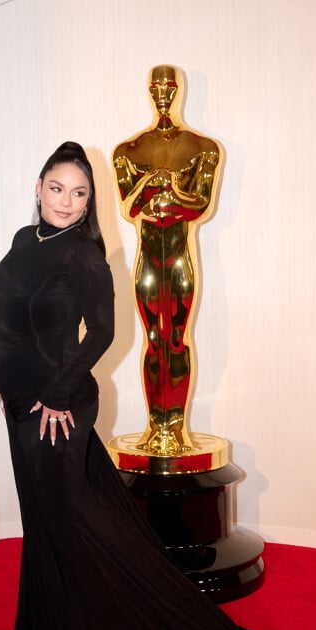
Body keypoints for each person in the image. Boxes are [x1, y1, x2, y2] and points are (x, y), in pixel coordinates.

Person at [0, 141, 316, 630]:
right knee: (43, 520)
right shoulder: (22, 241)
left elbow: (103, 332)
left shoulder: (84, 258)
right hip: (20, 403)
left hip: (55, 407)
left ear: (90, 202)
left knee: (72, 524)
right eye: (57, 188)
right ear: (38, 187)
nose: (67, 201)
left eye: (79, 193)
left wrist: (57, 392)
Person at [113, 65, 221, 455]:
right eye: (156, 85)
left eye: (169, 85)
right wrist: (152, 187)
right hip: (147, 259)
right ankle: (155, 428)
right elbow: (129, 207)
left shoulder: (202, 147)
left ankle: (175, 428)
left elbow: (200, 205)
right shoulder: (128, 150)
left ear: (181, 91)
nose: (162, 91)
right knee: (152, 338)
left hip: (178, 257)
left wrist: (168, 189)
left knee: (176, 337)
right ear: (148, 90)